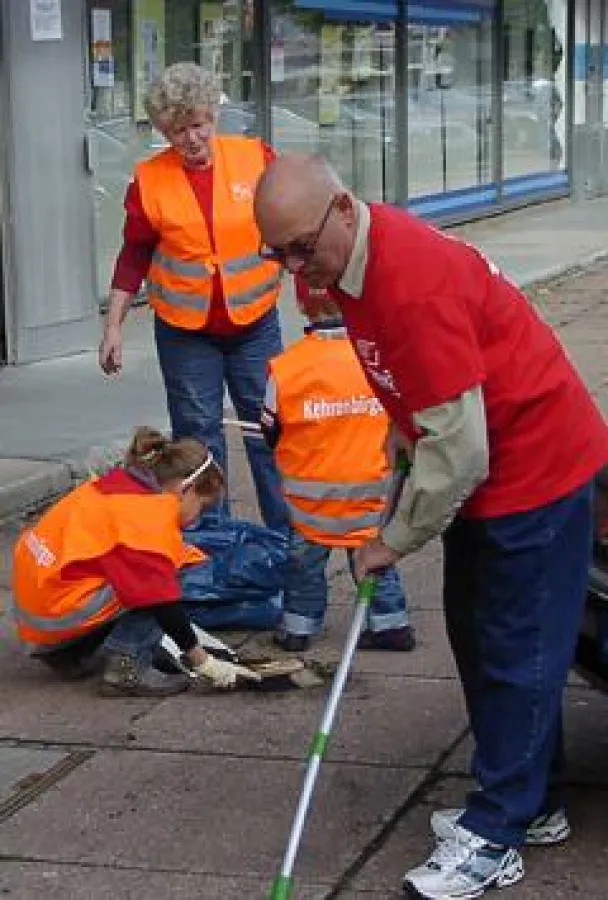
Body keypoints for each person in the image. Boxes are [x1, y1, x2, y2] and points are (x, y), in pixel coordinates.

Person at [253, 153, 608, 900]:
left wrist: (393, 539)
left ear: (343, 209)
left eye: (300, 247)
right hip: (487, 465)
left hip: (533, 470)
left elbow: (462, 449)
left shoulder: (408, 281)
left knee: (518, 649)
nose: (294, 268)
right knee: (479, 635)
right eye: (276, 253)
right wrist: (400, 430)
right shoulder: (346, 267)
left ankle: (500, 831)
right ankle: (532, 801)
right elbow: (413, 387)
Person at [98, 62, 288, 533]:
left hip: (255, 325)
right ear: (165, 130)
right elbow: (134, 254)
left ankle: (289, 543)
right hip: (186, 335)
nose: (192, 138)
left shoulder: (256, 158)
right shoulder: (149, 181)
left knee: (270, 434)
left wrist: (317, 294)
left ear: (214, 117)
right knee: (199, 445)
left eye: (199, 124)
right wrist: (114, 326)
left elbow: (290, 229)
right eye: (178, 130)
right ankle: (214, 550)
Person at [12, 427, 262, 697]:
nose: (196, 519)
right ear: (185, 489)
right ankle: (126, 668)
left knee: (145, 571)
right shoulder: (148, 517)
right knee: (164, 575)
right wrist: (204, 661)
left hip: (37, 609)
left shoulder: (119, 484)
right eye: (201, 506)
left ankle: (69, 654)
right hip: (57, 612)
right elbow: (162, 601)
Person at [261, 282, 415, 653]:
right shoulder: (378, 359)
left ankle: (298, 627)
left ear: (300, 304)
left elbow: (270, 428)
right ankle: (390, 623)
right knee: (374, 558)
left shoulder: (286, 367)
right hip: (372, 494)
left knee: (304, 567)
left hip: (311, 504)